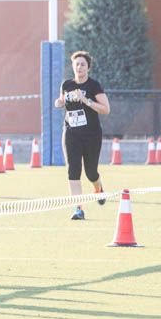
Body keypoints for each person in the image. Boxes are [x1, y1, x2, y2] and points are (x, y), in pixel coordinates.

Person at [54, 50, 110, 220]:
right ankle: (78, 209)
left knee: (91, 172)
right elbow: (61, 101)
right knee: (73, 170)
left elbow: (106, 109)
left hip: (91, 135)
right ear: (73, 66)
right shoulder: (66, 85)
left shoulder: (94, 86)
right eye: (76, 64)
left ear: (88, 68)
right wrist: (59, 102)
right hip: (71, 133)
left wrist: (86, 100)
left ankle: (98, 188)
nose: (79, 67)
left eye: (83, 64)